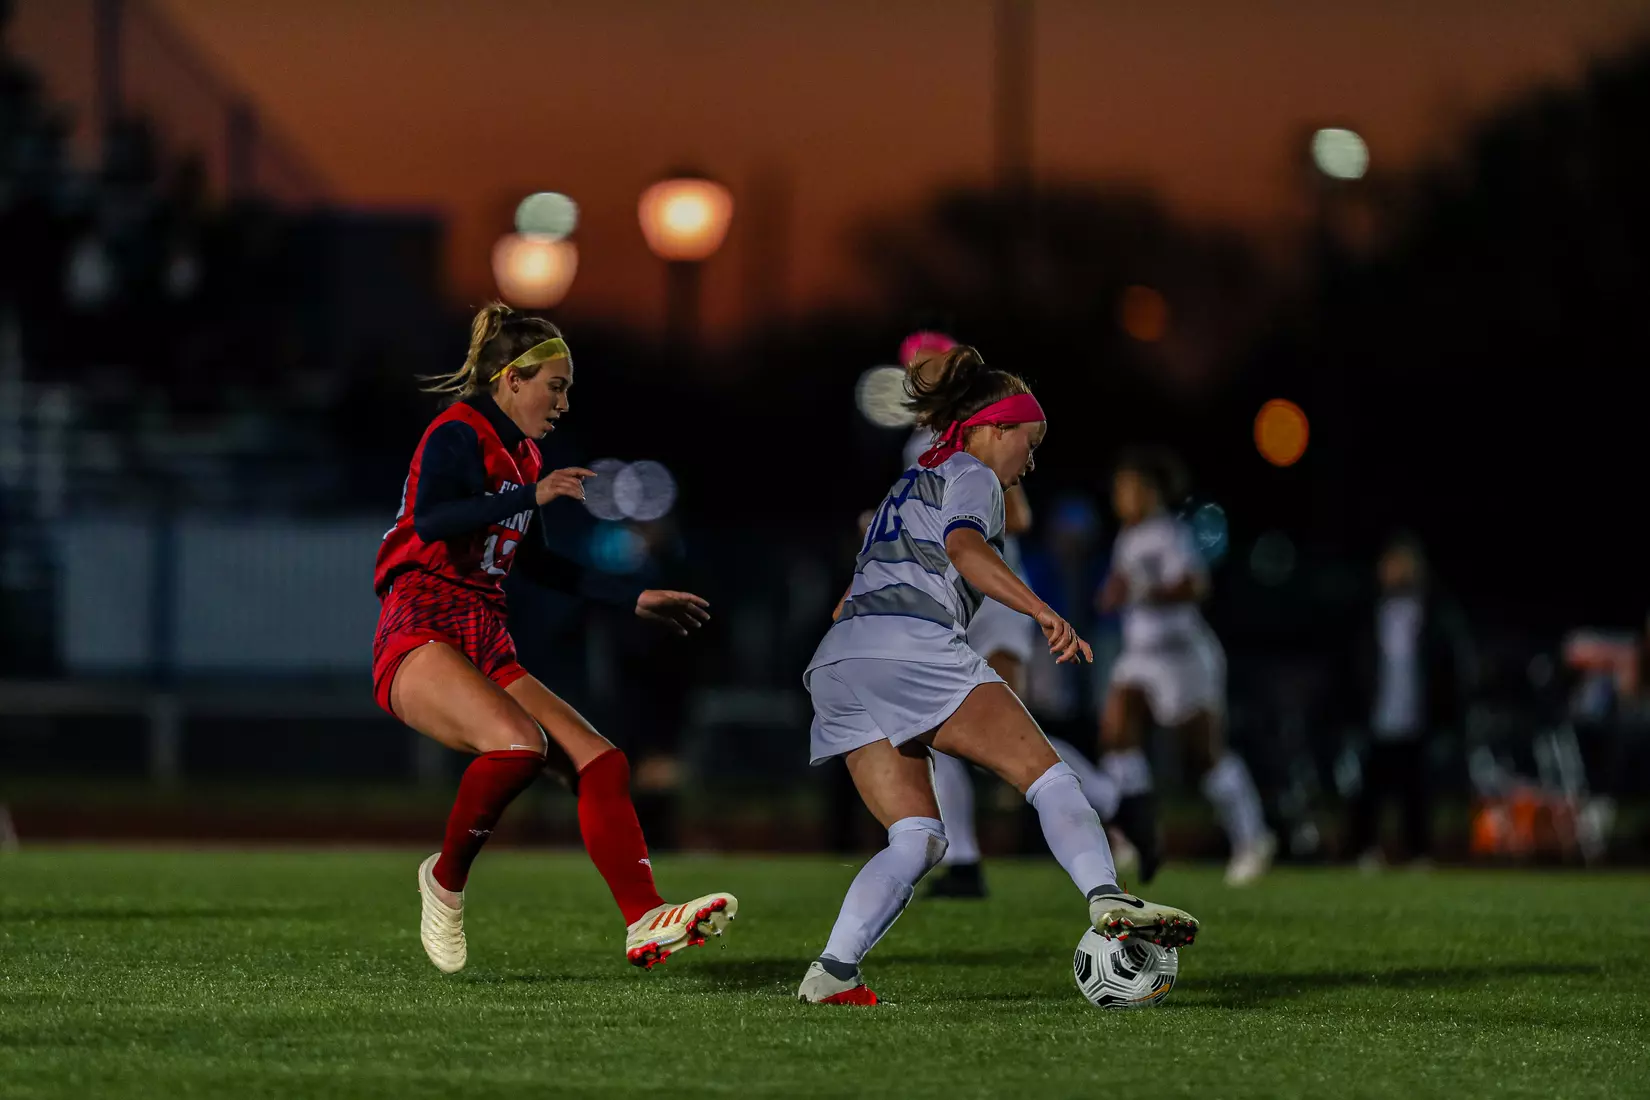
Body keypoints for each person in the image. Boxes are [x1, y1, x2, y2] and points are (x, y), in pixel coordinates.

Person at [798, 347, 1198, 1005]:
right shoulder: (975, 474)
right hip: (912, 646)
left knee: (918, 836)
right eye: (1031, 443)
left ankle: (833, 972)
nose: (1031, 462)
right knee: (1050, 776)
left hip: (840, 660)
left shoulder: (909, 481)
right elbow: (963, 545)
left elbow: (861, 587)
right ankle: (1107, 898)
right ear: (998, 427)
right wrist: (1041, 609)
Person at [372, 302, 736, 974]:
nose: (564, 401)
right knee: (516, 747)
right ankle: (444, 881)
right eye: (556, 385)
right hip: (420, 623)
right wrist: (528, 496)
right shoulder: (457, 433)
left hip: (482, 632)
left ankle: (644, 917)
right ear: (511, 379)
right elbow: (433, 520)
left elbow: (536, 564)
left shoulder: (526, 454)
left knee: (602, 762)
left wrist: (635, 596)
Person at [893, 334, 1125, 899]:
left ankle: (1110, 819)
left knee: (1008, 737)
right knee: (951, 735)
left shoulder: (976, 445)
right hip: (955, 606)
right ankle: (971, 861)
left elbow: (1008, 519)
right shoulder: (928, 447)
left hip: (993, 601)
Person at [1098, 447, 1273, 886]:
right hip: (1142, 655)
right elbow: (1124, 584)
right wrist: (1115, 591)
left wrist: (1141, 590)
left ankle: (1253, 838)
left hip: (1182, 655)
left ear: (1151, 492)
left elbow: (1195, 585)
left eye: (1130, 488)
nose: (1122, 497)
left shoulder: (1168, 534)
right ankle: (1136, 832)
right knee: (1116, 734)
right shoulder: (1129, 536)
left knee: (1204, 754)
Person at [1347, 534, 1470, 868]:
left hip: (1418, 715)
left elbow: (1449, 662)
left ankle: (1419, 852)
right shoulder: (1369, 612)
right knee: (1370, 787)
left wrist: (1449, 709)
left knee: (1416, 789)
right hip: (1378, 714)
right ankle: (1364, 850)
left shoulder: (1434, 612)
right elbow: (1355, 662)